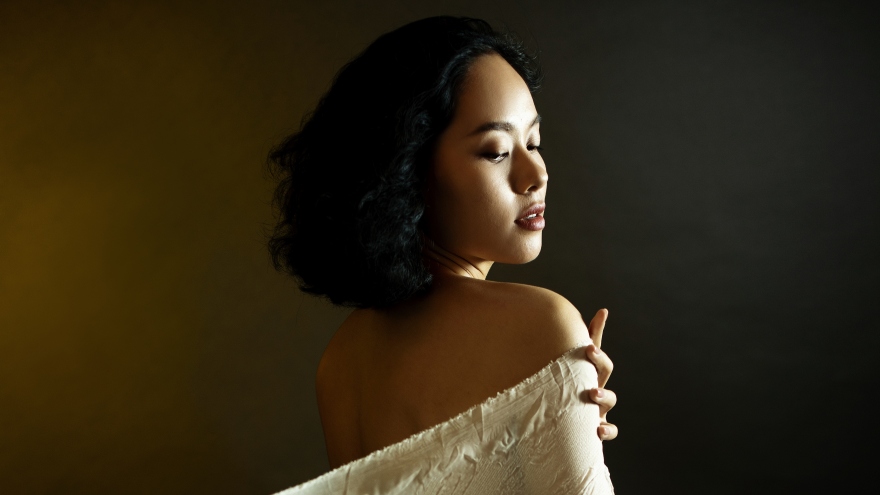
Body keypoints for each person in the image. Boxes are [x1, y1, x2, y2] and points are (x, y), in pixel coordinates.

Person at [269, 16, 617, 493]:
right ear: (409, 173)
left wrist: (561, 423)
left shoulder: (341, 361)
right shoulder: (542, 324)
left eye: (533, 142)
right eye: (496, 151)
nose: (537, 173)